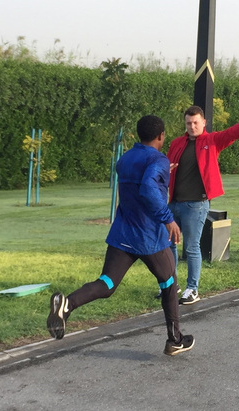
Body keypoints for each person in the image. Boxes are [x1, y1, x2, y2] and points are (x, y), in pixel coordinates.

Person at [47, 115, 194, 356]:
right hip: (148, 238)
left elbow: (139, 181)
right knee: (169, 283)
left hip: (122, 234)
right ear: (161, 136)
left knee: (107, 283)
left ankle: (67, 304)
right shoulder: (158, 159)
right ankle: (175, 339)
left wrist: (160, 172)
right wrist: (168, 218)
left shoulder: (125, 159)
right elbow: (147, 187)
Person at [166, 106, 239, 305]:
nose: (192, 126)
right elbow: (165, 166)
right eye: (188, 123)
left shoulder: (211, 141)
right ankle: (171, 285)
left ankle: (192, 289)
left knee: (191, 247)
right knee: (168, 245)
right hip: (174, 204)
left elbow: (235, 132)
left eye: (196, 122)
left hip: (196, 204)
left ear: (203, 123)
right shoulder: (177, 144)